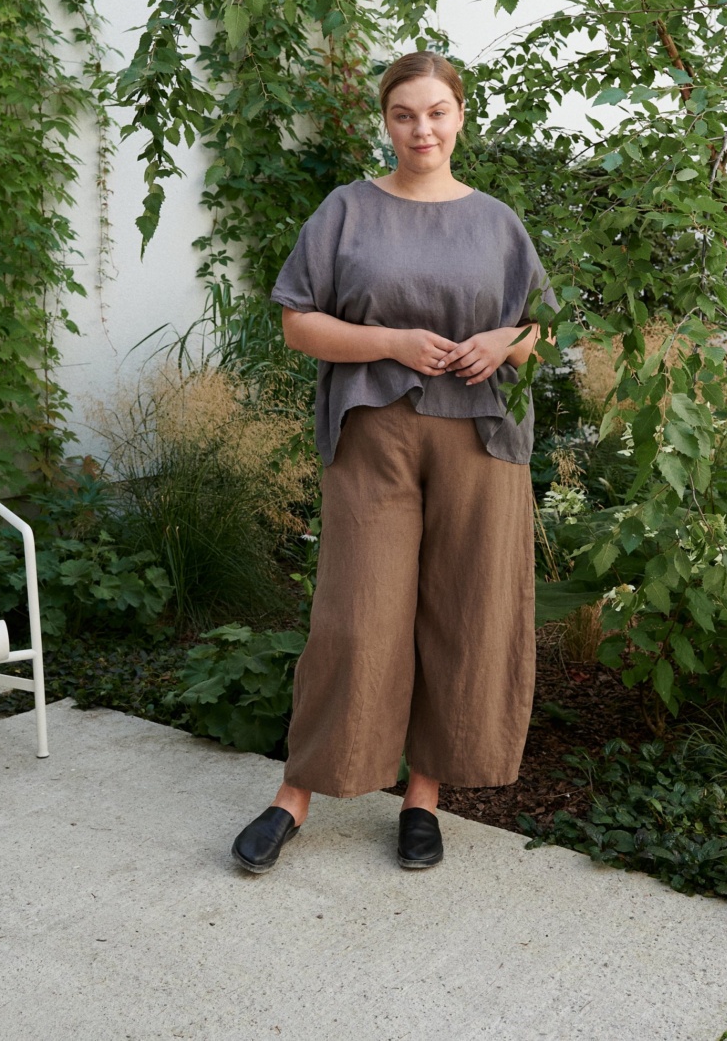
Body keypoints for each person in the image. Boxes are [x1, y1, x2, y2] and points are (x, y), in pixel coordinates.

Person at [231, 51, 557, 873]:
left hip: (481, 440)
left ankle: (424, 799)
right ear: (386, 120)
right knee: (355, 614)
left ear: (460, 116)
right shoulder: (347, 212)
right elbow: (299, 324)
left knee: (466, 609)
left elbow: (538, 329)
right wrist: (393, 343)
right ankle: (295, 794)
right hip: (374, 434)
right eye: (406, 114)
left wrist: (504, 341)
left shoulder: (496, 222)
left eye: (438, 112)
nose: (423, 129)